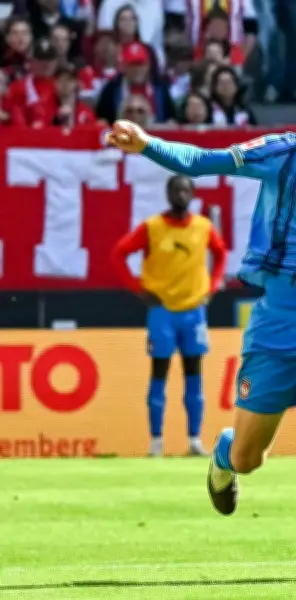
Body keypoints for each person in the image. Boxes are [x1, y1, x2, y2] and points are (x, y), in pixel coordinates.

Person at [104, 76, 296, 579]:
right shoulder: (288, 153)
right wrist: (146, 143)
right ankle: (225, 455)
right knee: (249, 457)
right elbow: (204, 161)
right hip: (277, 325)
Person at [110, 175, 227, 457]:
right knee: (159, 373)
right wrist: (138, 289)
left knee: (194, 374)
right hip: (162, 311)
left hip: (194, 311)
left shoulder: (203, 227)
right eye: (176, 190)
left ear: (193, 194)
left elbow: (221, 254)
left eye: (186, 190)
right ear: (168, 194)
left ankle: (194, 440)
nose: (181, 195)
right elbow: (118, 254)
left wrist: (212, 287)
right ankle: (156, 442)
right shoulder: (152, 227)